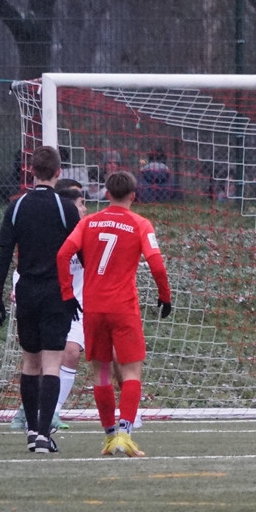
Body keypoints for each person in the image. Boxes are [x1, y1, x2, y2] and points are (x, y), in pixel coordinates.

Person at [56, 170, 172, 457]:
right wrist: (164, 296)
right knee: (131, 370)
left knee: (102, 371)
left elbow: (62, 255)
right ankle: (125, 435)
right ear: (134, 195)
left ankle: (109, 437)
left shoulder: (89, 222)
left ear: (106, 194)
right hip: (123, 308)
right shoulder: (140, 223)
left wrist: (67, 293)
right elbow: (156, 264)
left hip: (93, 307)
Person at [0, 145, 81, 453]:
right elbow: (81, 253)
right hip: (55, 292)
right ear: (59, 172)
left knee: (30, 363)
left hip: (26, 290)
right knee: (52, 362)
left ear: (31, 171)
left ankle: (32, 432)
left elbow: (5, 253)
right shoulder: (65, 207)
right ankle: (43, 433)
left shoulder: (16, 206)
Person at [9, 178, 87, 433]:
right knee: (39, 361)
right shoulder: (55, 228)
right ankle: (30, 414)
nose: (85, 208)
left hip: (76, 304)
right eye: (81, 203)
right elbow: (29, 262)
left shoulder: (86, 230)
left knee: (70, 352)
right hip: (49, 298)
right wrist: (13, 288)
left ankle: (50, 413)